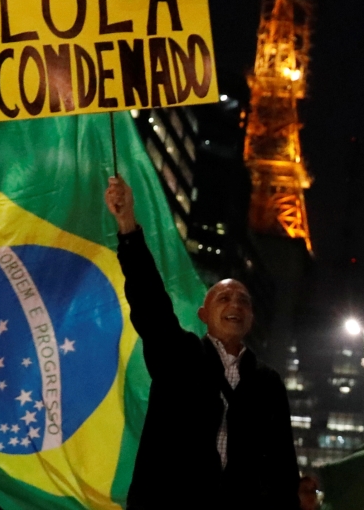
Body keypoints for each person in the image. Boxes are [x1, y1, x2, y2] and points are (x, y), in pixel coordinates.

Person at [105, 176, 300, 509]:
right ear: (203, 314)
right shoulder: (178, 356)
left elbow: (282, 468)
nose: (235, 305)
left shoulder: (268, 383)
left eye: (244, 301)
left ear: (251, 319)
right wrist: (127, 224)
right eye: (223, 298)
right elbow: (150, 301)